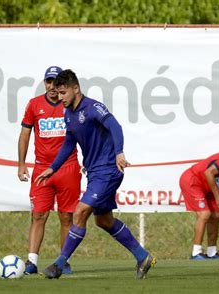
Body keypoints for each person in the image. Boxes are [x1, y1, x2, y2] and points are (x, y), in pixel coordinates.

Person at [35, 69, 156, 279]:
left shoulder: (93, 108)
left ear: (75, 89)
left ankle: (59, 265)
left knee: (80, 211)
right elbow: (69, 143)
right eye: (58, 93)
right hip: (95, 172)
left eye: (63, 93)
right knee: (104, 221)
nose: (59, 97)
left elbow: (115, 126)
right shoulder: (69, 114)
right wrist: (52, 168)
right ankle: (142, 256)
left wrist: (119, 152)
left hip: (108, 170)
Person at [18, 66, 81, 275]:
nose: (51, 86)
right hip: (42, 168)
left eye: (55, 82)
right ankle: (31, 261)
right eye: (48, 81)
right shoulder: (34, 105)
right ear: (44, 83)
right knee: (38, 215)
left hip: (68, 168)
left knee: (66, 217)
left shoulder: (71, 105)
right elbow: (25, 135)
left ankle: (63, 261)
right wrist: (21, 164)